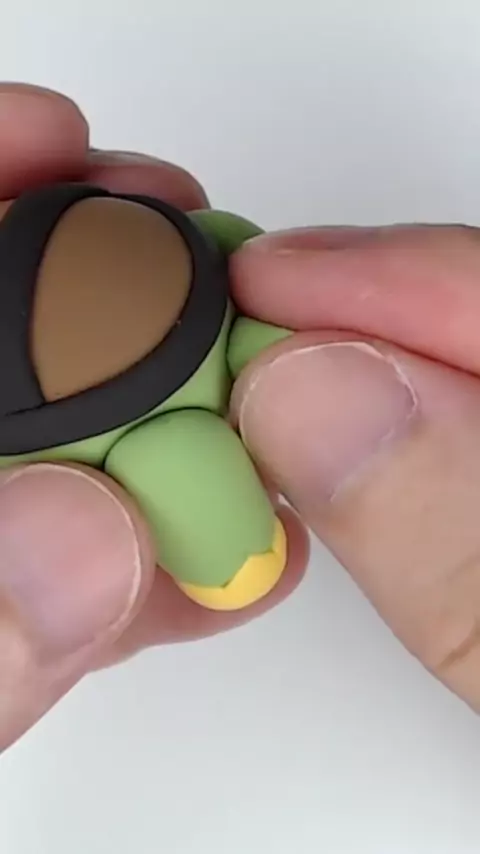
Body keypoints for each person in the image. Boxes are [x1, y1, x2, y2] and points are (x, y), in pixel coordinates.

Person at [1, 82, 479, 751]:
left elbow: (235, 574)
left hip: (139, 328)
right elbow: (233, 241)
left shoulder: (176, 434)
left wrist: (230, 566)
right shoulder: (216, 362)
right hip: (152, 252)